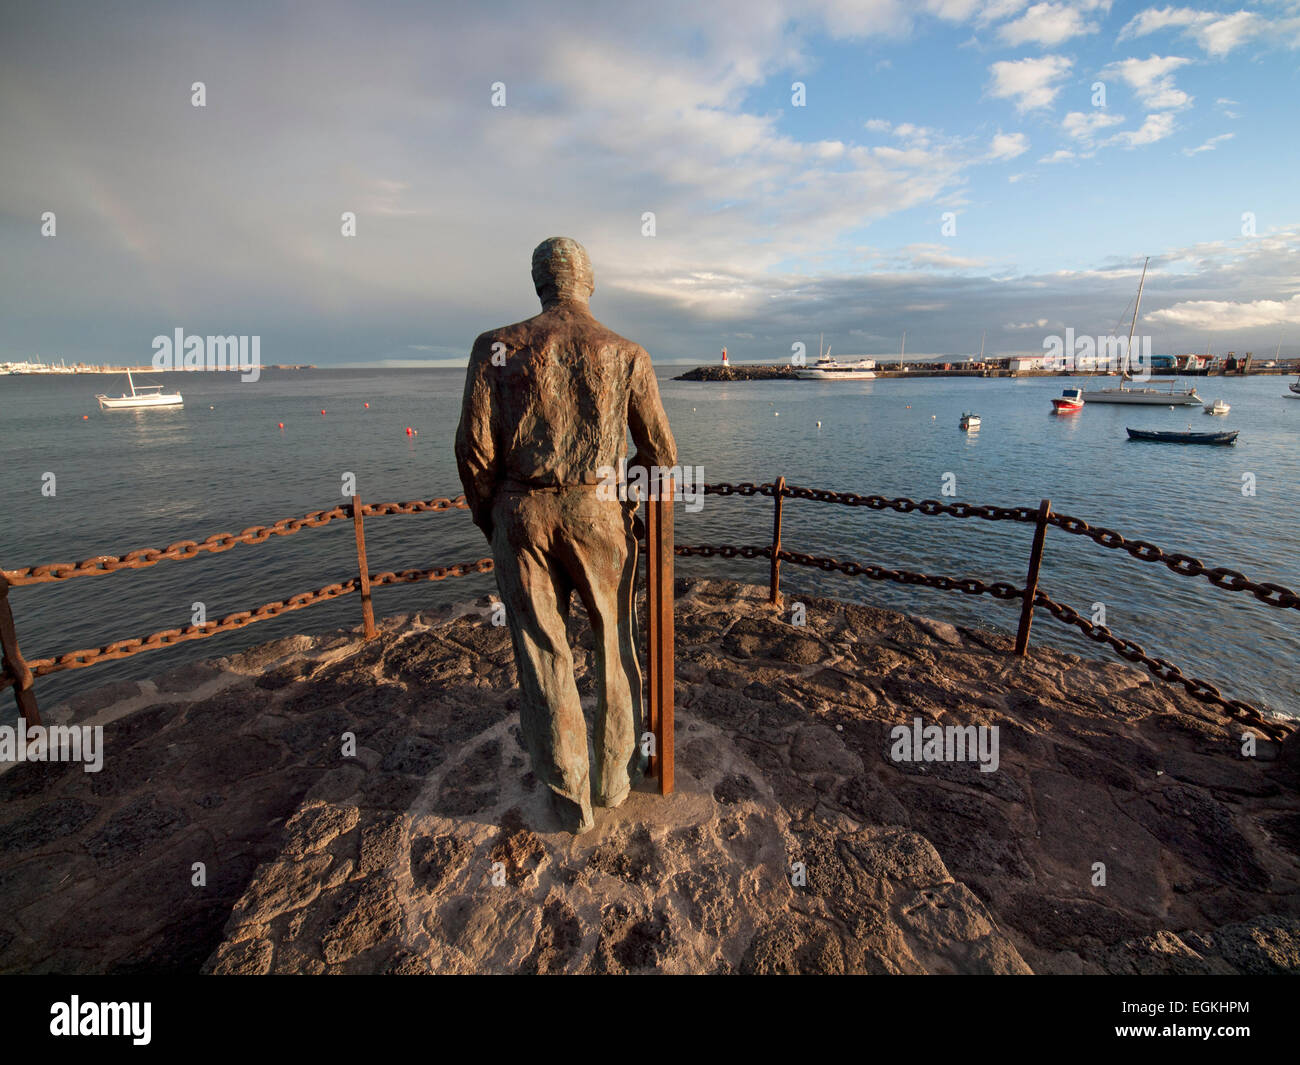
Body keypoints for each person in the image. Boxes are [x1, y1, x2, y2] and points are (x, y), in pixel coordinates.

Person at [455, 237, 676, 833]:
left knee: (541, 648)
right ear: (589, 282)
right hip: (600, 512)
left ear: (538, 283)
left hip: (521, 511)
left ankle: (568, 791)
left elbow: (474, 451)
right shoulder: (627, 354)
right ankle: (613, 779)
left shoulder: (496, 348)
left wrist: (494, 518)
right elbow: (660, 453)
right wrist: (618, 493)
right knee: (613, 644)